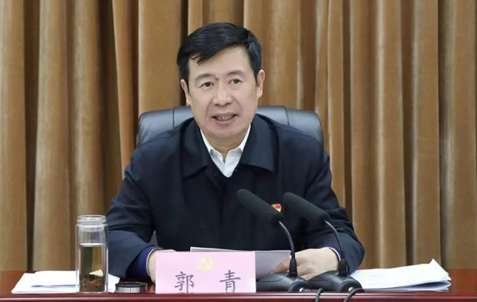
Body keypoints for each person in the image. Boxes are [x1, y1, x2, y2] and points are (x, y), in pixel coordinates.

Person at [106, 22, 364, 282]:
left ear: (259, 83)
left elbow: (338, 234)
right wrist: (151, 261)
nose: (222, 98)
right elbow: (116, 234)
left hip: (275, 297)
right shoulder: (154, 159)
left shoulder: (300, 154)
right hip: (188, 297)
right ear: (187, 92)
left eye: (235, 81)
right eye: (207, 84)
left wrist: (330, 256)